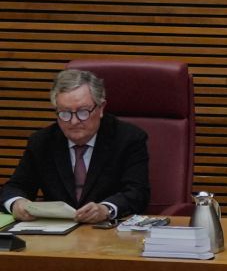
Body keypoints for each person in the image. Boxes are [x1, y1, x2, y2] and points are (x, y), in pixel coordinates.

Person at [4, 68, 150, 225]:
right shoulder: (42, 142)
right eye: (65, 113)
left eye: (83, 112)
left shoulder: (128, 139)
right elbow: (15, 187)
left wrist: (106, 209)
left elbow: (137, 192)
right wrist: (17, 203)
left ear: (100, 108)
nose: (74, 121)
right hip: (56, 234)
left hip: (107, 233)